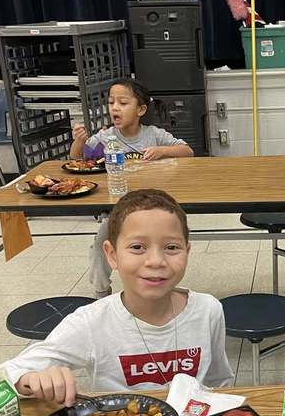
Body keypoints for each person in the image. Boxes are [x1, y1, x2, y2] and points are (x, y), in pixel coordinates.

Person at [0, 189, 232, 405]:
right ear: (112, 254)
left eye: (171, 247)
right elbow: (1, 377)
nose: (156, 261)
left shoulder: (207, 310)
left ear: (187, 252)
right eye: (137, 247)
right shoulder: (92, 322)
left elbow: (218, 381)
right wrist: (28, 379)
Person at [70, 78, 194, 299]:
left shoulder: (153, 134)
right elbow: (78, 158)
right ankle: (101, 294)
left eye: (123, 103)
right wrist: (79, 141)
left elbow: (187, 151)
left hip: (154, 208)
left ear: (141, 109)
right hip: (119, 209)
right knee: (101, 244)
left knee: (163, 245)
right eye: (111, 102)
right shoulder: (106, 137)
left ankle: (163, 288)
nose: (115, 108)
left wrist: (162, 151)